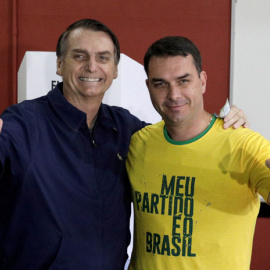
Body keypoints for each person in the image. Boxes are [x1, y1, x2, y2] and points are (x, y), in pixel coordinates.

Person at [0, 19, 247, 269]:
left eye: (103, 58)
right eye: (79, 56)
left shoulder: (126, 128)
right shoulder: (23, 124)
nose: (92, 66)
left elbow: (179, 140)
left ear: (115, 69)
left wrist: (221, 126)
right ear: (60, 64)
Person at [126, 36, 270, 270]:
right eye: (160, 83)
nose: (174, 94)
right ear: (148, 87)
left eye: (183, 81)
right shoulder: (138, 143)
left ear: (202, 81)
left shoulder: (245, 144)